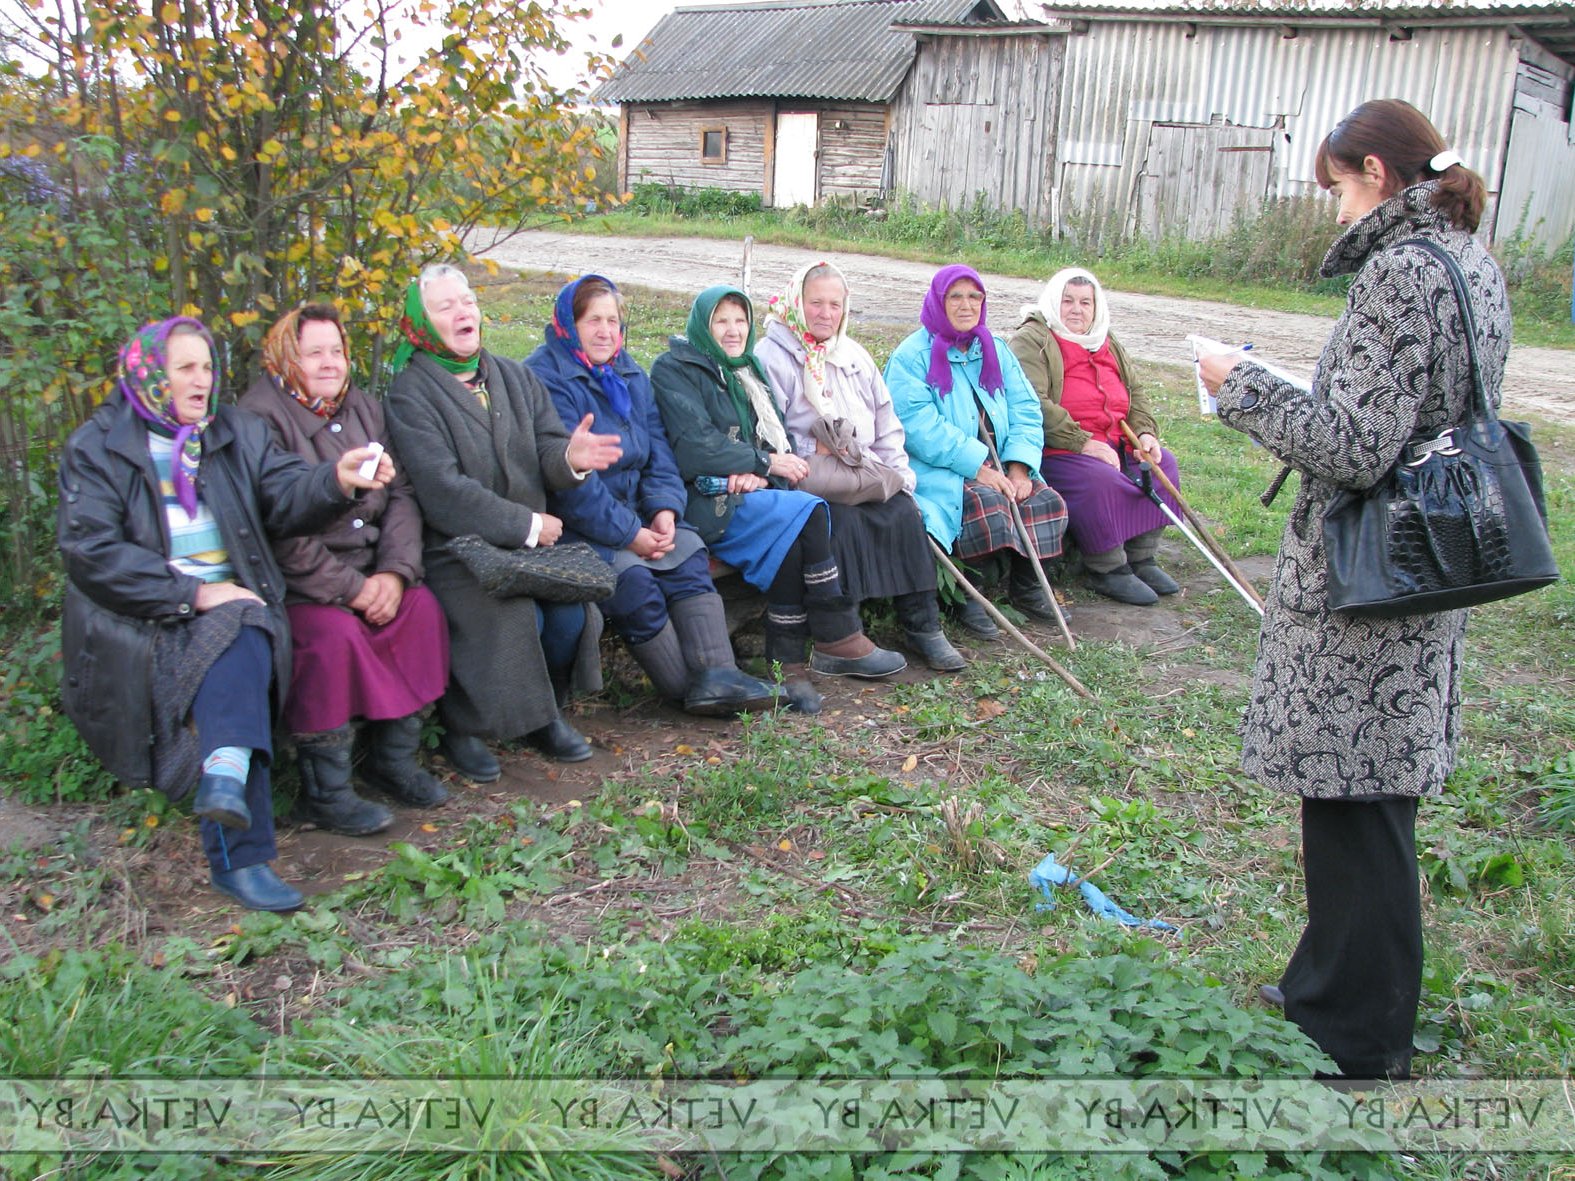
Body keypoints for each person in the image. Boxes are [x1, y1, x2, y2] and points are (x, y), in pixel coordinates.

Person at [1198, 99, 1509, 1080]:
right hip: (1426, 560)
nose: (1332, 206)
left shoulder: (1399, 275)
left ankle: (1358, 1041)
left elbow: (1351, 445)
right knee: (1364, 806)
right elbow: (1421, 415)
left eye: (1335, 184)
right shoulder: (1471, 260)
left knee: (1357, 810)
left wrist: (1240, 384)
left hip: (1366, 589)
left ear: (1374, 172)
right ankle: (1325, 988)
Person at [58, 316, 395, 911]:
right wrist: (191, 595)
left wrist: (335, 481)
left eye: (207, 366)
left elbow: (284, 491)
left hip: (233, 611)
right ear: (147, 374)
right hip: (142, 623)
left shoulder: (231, 432)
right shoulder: (97, 447)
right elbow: (92, 554)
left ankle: (231, 813)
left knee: (241, 631)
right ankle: (235, 819)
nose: (201, 380)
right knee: (240, 630)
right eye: (184, 367)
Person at [382, 265, 623, 780]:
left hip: (525, 546)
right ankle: (462, 726)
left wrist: (572, 459)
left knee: (571, 617)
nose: (462, 312)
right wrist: (527, 525)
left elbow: (547, 448)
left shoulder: (513, 376)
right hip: (456, 550)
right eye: (445, 307)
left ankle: (540, 714)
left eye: (467, 301)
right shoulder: (411, 394)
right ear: (421, 323)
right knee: (517, 617)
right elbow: (443, 489)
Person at [522, 275, 790, 715]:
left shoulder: (627, 372)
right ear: (570, 325)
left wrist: (664, 510)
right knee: (637, 584)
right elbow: (570, 486)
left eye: (613, 320)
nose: (606, 331)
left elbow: (659, 453)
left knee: (687, 558)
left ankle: (720, 676)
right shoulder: (547, 378)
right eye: (593, 321)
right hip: (578, 527)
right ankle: (689, 692)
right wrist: (631, 534)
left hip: (639, 515)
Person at [238, 304, 451, 835]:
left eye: (337, 350)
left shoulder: (362, 406)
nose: (330, 362)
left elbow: (400, 493)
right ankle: (325, 792)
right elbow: (278, 528)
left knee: (422, 610)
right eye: (315, 352)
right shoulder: (259, 417)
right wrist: (353, 590)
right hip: (304, 584)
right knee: (329, 639)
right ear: (288, 357)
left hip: (376, 569)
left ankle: (392, 762)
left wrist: (396, 573)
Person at [648, 283, 907, 698]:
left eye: (740, 320)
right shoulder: (675, 369)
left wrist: (762, 472)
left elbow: (779, 440)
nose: (733, 331)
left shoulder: (747, 369)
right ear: (703, 324)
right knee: (805, 513)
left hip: (754, 493)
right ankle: (833, 636)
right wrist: (760, 463)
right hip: (705, 501)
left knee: (791, 527)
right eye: (721, 321)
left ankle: (785, 664)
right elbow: (694, 446)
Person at [757, 261, 965, 672]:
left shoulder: (852, 354)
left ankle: (923, 626)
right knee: (839, 522)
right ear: (797, 302)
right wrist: (813, 445)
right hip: (806, 478)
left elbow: (887, 424)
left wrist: (899, 474)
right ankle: (842, 637)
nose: (826, 313)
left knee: (903, 510)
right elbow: (765, 432)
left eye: (835, 304)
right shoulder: (772, 356)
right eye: (816, 303)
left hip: (862, 474)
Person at [883, 264, 1067, 638]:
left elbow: (1026, 409)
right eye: (955, 296)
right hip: (944, 467)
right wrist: (976, 465)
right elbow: (918, 426)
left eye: (974, 297)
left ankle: (1027, 586)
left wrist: (1019, 467)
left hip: (1002, 462)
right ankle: (970, 593)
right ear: (938, 300)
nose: (966, 305)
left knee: (1044, 501)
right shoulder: (912, 356)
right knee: (986, 503)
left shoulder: (994, 349)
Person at [1007, 267, 1182, 606]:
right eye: (1067, 300)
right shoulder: (1033, 339)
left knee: (1163, 466)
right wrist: (1082, 442)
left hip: (1115, 440)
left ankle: (1141, 557)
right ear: (1053, 302)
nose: (1077, 310)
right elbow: (1032, 402)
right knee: (1100, 481)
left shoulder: (1105, 338)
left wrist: (1144, 432)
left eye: (1085, 302)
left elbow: (1134, 391)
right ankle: (1106, 567)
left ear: (1096, 307)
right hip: (1060, 449)